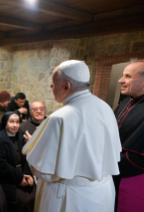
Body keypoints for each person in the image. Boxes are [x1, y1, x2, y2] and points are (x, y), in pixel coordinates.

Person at [22, 60, 121, 212]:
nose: (51, 86)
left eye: (53, 82)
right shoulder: (106, 107)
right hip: (102, 194)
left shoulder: (60, 118)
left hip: (70, 197)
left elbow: (41, 169)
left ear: (66, 86)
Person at [113, 59, 144, 211]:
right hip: (111, 170)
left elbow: (139, 157)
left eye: (128, 76)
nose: (121, 80)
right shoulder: (126, 101)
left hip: (129, 176)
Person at [0, 112, 35, 212]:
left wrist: (28, 175)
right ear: (5, 123)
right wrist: (20, 178)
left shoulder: (21, 136)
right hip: (9, 176)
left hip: (24, 173)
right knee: (22, 201)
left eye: (17, 122)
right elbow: (2, 164)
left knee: (34, 195)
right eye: (11, 122)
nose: (15, 125)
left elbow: (27, 158)